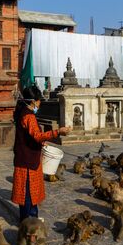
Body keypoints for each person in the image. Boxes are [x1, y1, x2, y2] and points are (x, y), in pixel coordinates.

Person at [11, 85, 71, 222]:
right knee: (28, 191)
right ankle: (29, 220)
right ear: (33, 101)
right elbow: (37, 135)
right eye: (39, 101)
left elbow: (30, 136)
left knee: (28, 190)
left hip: (25, 155)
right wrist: (58, 132)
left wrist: (41, 143)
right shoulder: (29, 116)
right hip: (28, 159)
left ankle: (29, 217)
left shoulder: (22, 111)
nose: (40, 103)